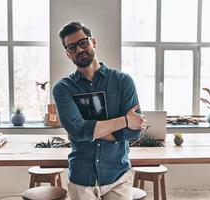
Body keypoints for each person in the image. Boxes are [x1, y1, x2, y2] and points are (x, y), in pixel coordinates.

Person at [53, 21, 146, 200]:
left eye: (83, 42)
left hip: (118, 176)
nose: (79, 50)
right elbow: (77, 131)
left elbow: (134, 133)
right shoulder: (63, 88)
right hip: (81, 179)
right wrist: (125, 121)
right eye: (72, 47)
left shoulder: (123, 81)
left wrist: (89, 130)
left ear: (93, 42)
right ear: (67, 53)